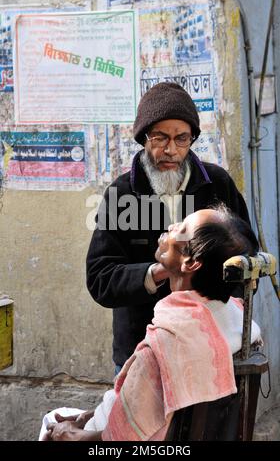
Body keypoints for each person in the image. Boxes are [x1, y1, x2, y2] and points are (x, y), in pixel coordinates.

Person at [42, 206, 261, 441]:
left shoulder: (163, 346)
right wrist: (91, 415)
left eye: (182, 228)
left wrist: (73, 435)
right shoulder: (242, 323)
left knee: (51, 421)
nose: (171, 227)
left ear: (190, 263)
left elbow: (120, 438)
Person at [86, 82, 252, 371]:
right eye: (160, 138)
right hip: (141, 350)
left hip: (210, 346)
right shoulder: (121, 194)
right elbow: (101, 278)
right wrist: (162, 270)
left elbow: (245, 259)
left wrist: (219, 309)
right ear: (144, 138)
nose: (171, 150)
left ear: (191, 139)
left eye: (181, 138)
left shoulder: (218, 185)